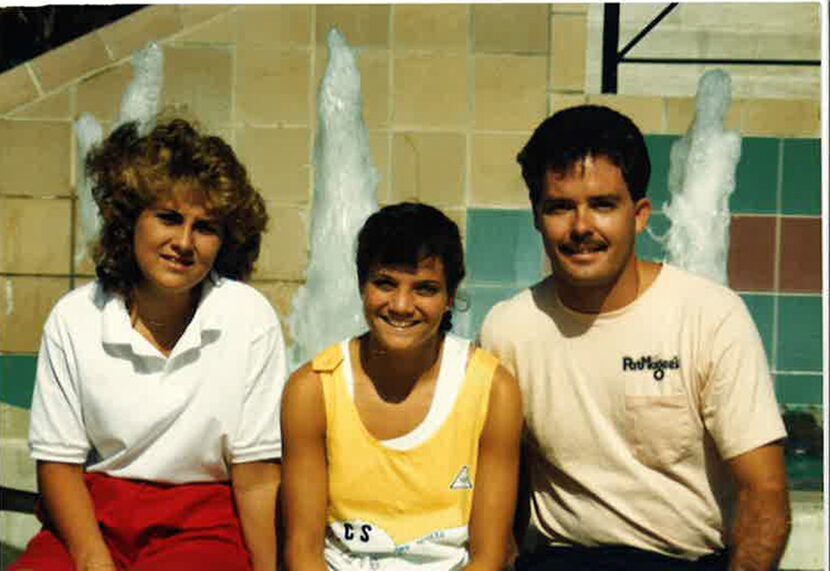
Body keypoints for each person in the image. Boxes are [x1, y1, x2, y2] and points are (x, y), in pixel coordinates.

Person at [479, 105, 790, 570]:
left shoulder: (710, 316)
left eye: (603, 205)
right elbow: (498, 504)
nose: (581, 228)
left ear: (639, 215)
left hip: (683, 561)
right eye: (560, 207)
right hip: (561, 561)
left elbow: (764, 497)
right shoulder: (508, 330)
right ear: (536, 217)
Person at [13, 118, 285, 571]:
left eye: (205, 227)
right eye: (169, 217)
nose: (183, 242)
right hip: (93, 519)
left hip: (204, 527)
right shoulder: (75, 318)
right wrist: (93, 559)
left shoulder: (249, 319)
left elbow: (256, 476)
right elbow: (58, 464)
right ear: (130, 219)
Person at [281, 202, 523, 570]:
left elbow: (490, 556)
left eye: (425, 289)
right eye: (385, 284)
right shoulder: (312, 389)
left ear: (450, 299)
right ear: (362, 286)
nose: (401, 305)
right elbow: (303, 551)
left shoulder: (492, 389)